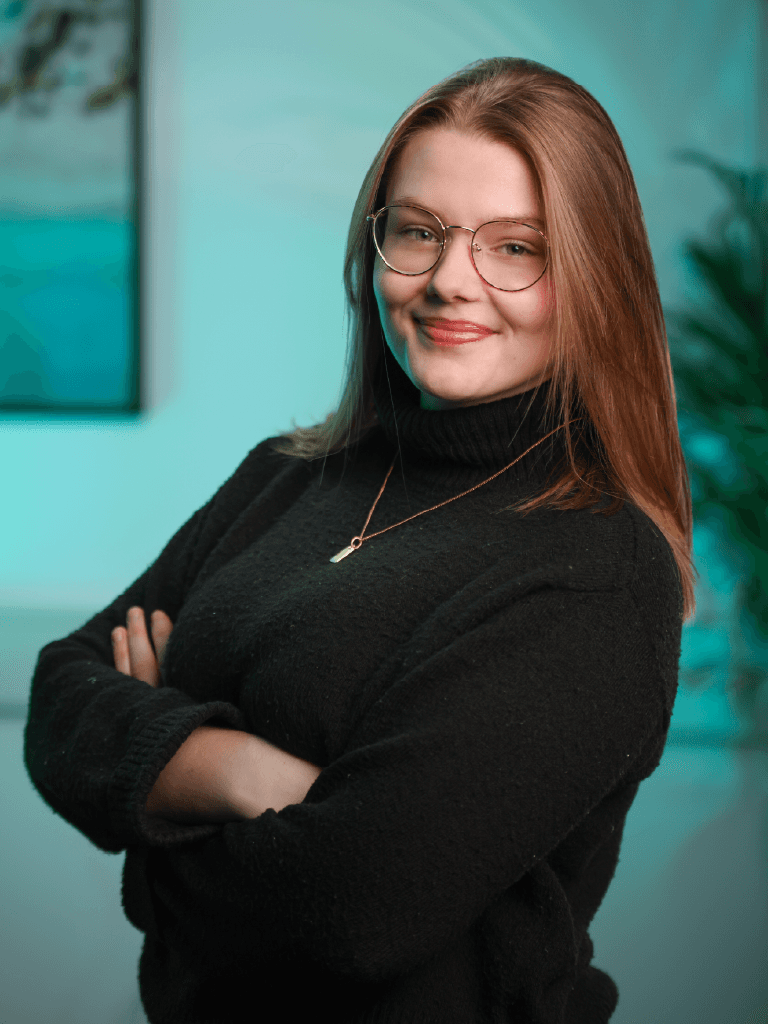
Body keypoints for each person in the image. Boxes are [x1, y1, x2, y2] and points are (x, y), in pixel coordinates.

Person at [24, 56, 695, 1024]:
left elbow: (348, 909)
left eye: (516, 248)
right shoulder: (288, 474)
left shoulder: (595, 569)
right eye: (418, 233)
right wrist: (237, 771)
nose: (449, 284)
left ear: (593, 277)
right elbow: (58, 696)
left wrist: (148, 809)